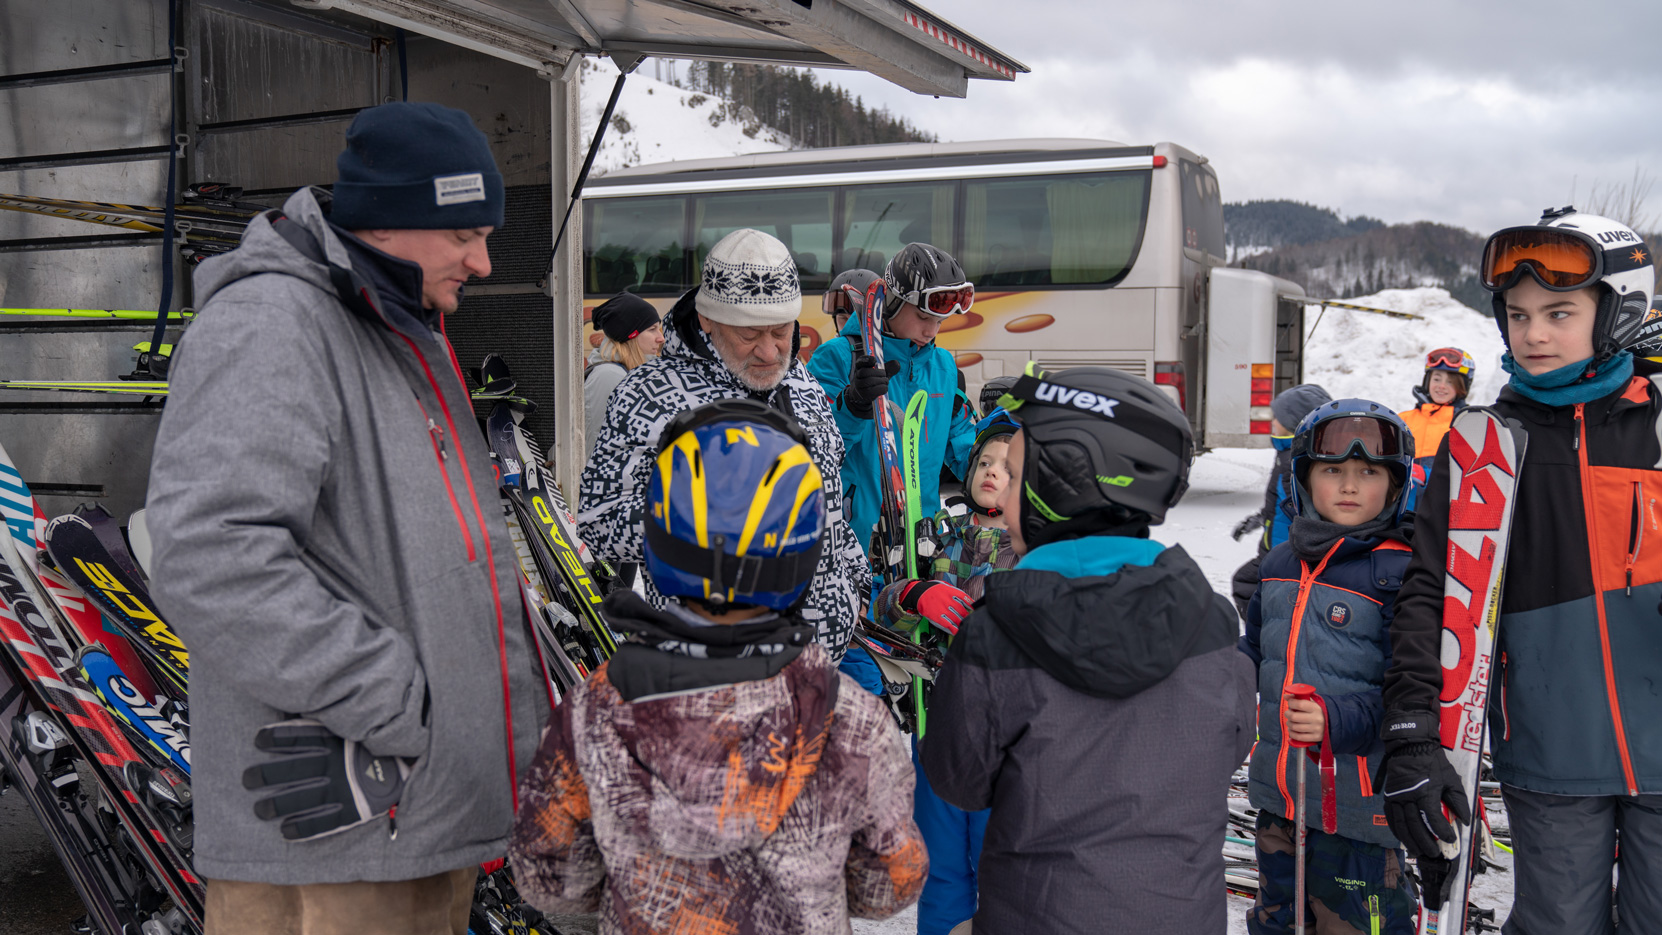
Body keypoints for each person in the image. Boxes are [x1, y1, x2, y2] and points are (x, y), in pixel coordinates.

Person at [147, 102, 550, 933]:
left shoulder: (394, 327)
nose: (481, 262)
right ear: (392, 220)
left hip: (412, 824)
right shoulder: (274, 326)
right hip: (335, 848)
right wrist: (399, 705)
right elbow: (209, 554)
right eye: (465, 234)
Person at [509, 399, 926, 934]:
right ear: (803, 548)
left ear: (660, 533)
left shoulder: (596, 708)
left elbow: (549, 879)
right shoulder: (850, 717)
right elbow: (891, 882)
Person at [1379, 208, 1662, 933]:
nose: (1533, 333)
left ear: (1618, 313)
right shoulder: (1485, 448)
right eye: (1518, 314)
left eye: (1559, 312)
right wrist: (1414, 729)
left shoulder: (1656, 426)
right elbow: (1431, 592)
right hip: (1552, 747)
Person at [920, 364, 1257, 933]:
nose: (1003, 495)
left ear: (1060, 488)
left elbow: (957, 778)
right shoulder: (1214, 622)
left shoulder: (996, 632)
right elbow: (1231, 742)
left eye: (1020, 476)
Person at [579, 228, 869, 657]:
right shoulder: (651, 394)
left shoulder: (801, 380)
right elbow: (598, 519)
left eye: (781, 332)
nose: (770, 353)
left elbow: (826, 497)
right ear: (708, 320)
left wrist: (853, 580)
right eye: (749, 335)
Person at [1239, 399, 1418, 934]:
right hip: (1280, 801)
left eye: (1368, 473)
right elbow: (1254, 651)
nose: (1349, 486)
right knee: (1276, 923)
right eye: (1332, 470)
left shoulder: (1403, 574)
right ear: (1302, 478)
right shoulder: (1277, 564)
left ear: (1394, 485)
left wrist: (1338, 720)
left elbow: (1411, 691)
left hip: (1360, 816)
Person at [869, 408, 1018, 935]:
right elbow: (880, 609)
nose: (991, 471)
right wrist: (913, 593)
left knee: (1000, 864)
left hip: (1006, 739)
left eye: (1008, 466)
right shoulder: (933, 533)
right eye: (984, 460)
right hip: (936, 725)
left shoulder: (1038, 551)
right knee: (942, 867)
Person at [807, 243, 978, 562]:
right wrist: (852, 405)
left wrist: (1001, 456)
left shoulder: (942, 366)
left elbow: (965, 447)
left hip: (920, 546)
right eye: (924, 316)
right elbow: (810, 451)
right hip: (852, 546)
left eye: (940, 321)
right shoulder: (838, 357)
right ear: (893, 303)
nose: (932, 330)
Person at [1229, 383, 1332, 617]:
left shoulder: (1295, 462)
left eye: (1277, 417)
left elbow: (1301, 510)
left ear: (1295, 422)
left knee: (1248, 586)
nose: (1272, 422)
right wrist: (1259, 519)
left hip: (1284, 552)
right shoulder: (1286, 454)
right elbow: (1280, 501)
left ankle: (1268, 637)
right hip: (1275, 546)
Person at [583, 292, 663, 458]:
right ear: (631, 335)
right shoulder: (609, 375)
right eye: (652, 329)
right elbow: (596, 443)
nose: (660, 338)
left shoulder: (624, 373)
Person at [824, 267, 880, 336]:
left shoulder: (891, 345)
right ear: (835, 320)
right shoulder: (833, 346)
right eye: (843, 318)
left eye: (857, 320)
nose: (849, 327)